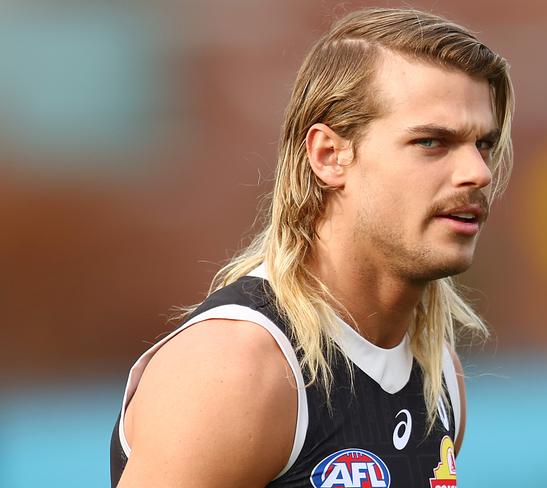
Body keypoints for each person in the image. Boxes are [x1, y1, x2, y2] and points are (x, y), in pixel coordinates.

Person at [110, 6, 514, 487]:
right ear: (328, 156)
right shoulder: (238, 368)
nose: (478, 173)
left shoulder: (438, 374)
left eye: (483, 144)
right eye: (432, 142)